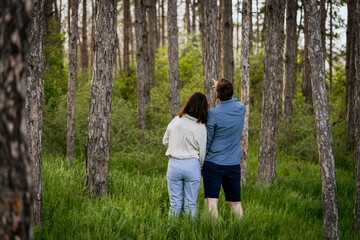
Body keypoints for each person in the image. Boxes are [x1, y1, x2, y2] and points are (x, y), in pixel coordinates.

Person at [203, 78, 246, 219]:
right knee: (235, 203)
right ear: (232, 93)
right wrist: (222, 87)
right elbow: (234, 98)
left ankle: (213, 233)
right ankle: (239, 232)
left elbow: (208, 142)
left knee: (211, 201)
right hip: (233, 164)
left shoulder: (213, 114)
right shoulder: (241, 108)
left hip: (213, 163)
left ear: (216, 95)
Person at [163, 92, 208, 218]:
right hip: (192, 164)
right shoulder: (201, 127)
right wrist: (201, 166)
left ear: (188, 104)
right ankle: (190, 232)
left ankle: (171, 231)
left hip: (174, 164)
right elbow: (202, 152)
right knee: (190, 204)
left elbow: (165, 141)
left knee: (174, 204)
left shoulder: (176, 120)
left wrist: (175, 147)